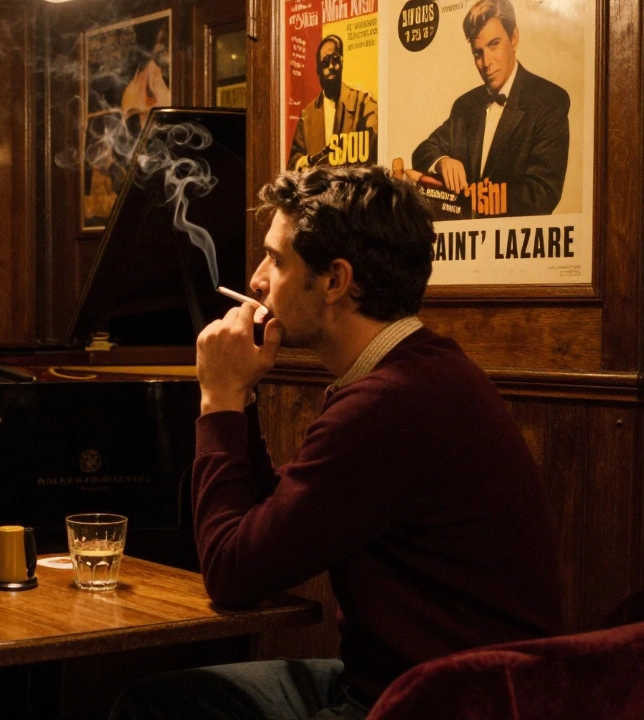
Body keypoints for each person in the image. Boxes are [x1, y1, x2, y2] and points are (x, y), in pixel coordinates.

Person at [111, 166, 562, 719]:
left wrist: (220, 399)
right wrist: (243, 397)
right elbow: (281, 526)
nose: (256, 280)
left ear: (334, 280)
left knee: (157, 710)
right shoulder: (417, 372)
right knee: (166, 700)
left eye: (276, 260)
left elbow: (232, 574)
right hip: (421, 684)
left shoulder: (389, 406)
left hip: (440, 702)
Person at [412, 0, 569, 216]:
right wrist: (442, 162)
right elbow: (423, 151)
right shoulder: (464, 106)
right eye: (478, 53)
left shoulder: (550, 100)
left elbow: (542, 194)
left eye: (494, 45)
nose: (486, 63)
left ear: (514, 38)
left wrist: (471, 200)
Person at [288, 35, 378, 172]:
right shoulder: (307, 116)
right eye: (325, 61)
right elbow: (294, 160)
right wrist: (304, 163)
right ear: (318, 69)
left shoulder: (363, 102)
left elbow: (378, 147)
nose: (331, 66)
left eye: (335, 59)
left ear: (342, 62)